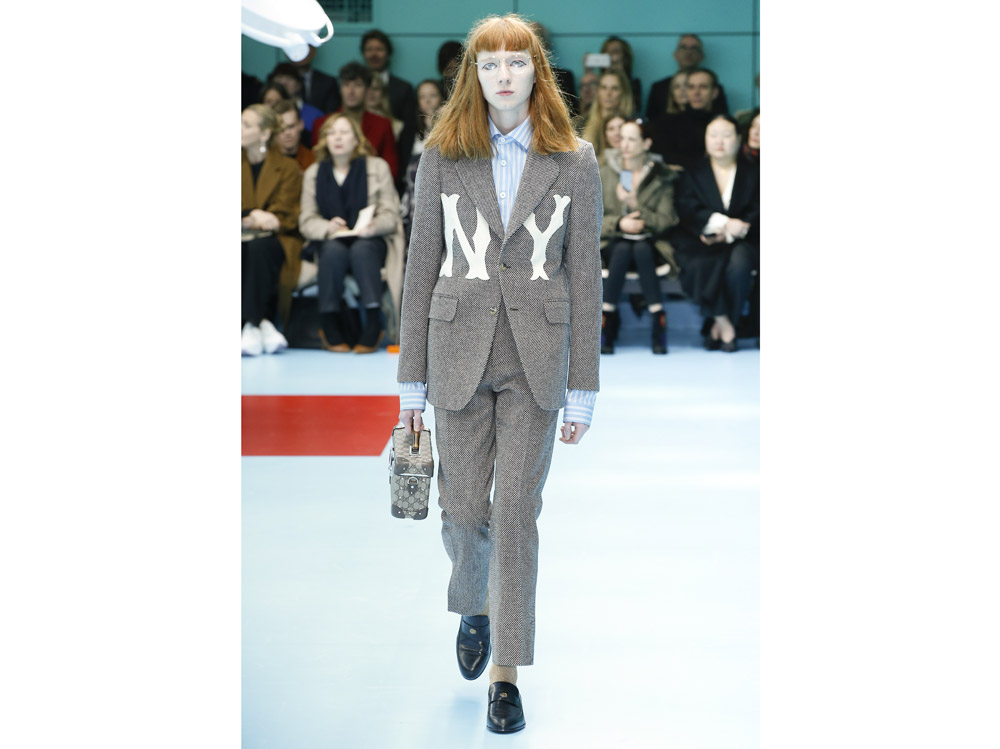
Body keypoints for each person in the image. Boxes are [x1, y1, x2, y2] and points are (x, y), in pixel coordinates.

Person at [396, 14, 602, 735]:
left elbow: (586, 276)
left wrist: (584, 387)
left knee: (515, 513)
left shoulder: (573, 159)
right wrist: (410, 382)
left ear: (536, 71)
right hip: (456, 348)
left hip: (537, 359)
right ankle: (474, 603)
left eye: (517, 62)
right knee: (461, 510)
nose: (504, 75)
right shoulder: (442, 155)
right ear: (473, 75)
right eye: (490, 64)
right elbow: (420, 269)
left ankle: (506, 676)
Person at [299, 114, 404, 353]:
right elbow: (306, 220)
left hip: (371, 239)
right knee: (332, 251)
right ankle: (329, 323)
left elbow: (391, 214)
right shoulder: (313, 173)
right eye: (331, 132)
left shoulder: (377, 167)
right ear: (324, 140)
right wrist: (327, 227)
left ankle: (374, 322)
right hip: (330, 240)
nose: (337, 137)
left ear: (357, 139)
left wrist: (373, 226)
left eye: (344, 132)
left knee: (362, 249)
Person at [670, 114, 759, 352]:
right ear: (706, 139)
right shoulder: (692, 171)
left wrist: (731, 233)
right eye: (713, 135)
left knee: (740, 264)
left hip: (742, 239)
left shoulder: (754, 172)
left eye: (726, 135)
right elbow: (687, 207)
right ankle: (725, 325)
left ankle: (719, 323)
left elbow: (757, 208)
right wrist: (722, 224)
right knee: (699, 264)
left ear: (738, 139)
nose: (719, 141)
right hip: (700, 238)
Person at [598, 118, 679, 355]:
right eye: (622, 138)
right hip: (613, 245)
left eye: (632, 139)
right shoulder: (604, 172)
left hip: (651, 245)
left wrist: (636, 205)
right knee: (624, 247)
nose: (624, 144)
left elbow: (667, 220)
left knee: (640, 248)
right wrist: (619, 223)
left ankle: (606, 320)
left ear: (647, 143)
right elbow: (588, 218)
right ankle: (658, 319)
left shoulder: (662, 175)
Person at [241, 104, 302, 356]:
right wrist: (252, 215)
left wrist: (254, 217)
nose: (239, 129)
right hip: (241, 235)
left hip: (277, 239)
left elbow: (284, 216)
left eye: (246, 125)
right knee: (247, 248)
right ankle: (262, 324)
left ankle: (250, 325)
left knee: (259, 247)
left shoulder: (287, 167)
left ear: (265, 134)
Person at [311, 62, 400, 182]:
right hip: (330, 186)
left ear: (367, 90)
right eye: (346, 85)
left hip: (372, 186)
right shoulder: (322, 124)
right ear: (340, 89)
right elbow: (317, 164)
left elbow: (391, 169)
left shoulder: (382, 124)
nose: (351, 91)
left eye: (358, 85)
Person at [649, 67, 721, 169]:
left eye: (703, 87)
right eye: (691, 87)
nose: (696, 92)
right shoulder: (667, 124)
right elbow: (663, 158)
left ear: (714, 92)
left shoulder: (723, 124)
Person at [645, 34, 730, 120]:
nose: (688, 52)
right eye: (683, 47)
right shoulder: (659, 87)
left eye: (694, 48)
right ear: (675, 55)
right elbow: (650, 119)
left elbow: (723, 117)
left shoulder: (714, 87)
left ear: (702, 56)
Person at [361, 29, 417, 128]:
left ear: (388, 54)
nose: (374, 54)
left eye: (379, 49)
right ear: (363, 54)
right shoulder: (354, 86)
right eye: (369, 49)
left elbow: (409, 128)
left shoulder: (404, 89)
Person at [577, 68, 634, 160]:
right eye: (604, 87)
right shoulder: (581, 123)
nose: (608, 93)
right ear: (598, 91)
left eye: (614, 88)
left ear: (623, 93)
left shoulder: (631, 125)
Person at [267, 63, 324, 135]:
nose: (284, 82)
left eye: (289, 78)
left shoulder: (315, 115)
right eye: (279, 78)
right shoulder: (267, 112)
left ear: (299, 85)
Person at [287, 44, 342, 113]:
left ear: (313, 52)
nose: (301, 53)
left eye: (305, 48)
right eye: (296, 48)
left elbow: (332, 114)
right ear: (287, 53)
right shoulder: (279, 83)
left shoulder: (328, 82)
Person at [272, 99, 315, 172]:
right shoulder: (265, 160)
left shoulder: (312, 160)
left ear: (301, 124)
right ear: (273, 129)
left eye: (291, 126)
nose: (287, 133)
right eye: (281, 128)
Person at [600, 35, 641, 111]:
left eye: (615, 52)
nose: (610, 56)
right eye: (607, 52)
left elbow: (634, 108)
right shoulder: (597, 80)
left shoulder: (634, 83)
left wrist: (620, 74)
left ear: (625, 57)